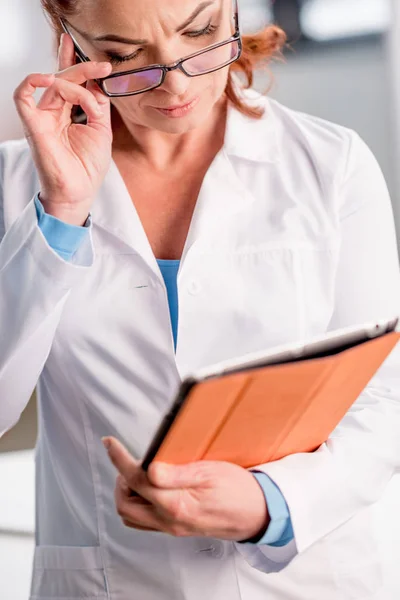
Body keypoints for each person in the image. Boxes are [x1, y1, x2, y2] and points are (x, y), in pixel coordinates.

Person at [1, 0, 400, 598]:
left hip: (313, 578)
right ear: (69, 40)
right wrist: (61, 211)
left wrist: (271, 503)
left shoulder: (331, 164)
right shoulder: (19, 184)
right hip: (113, 580)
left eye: (200, 33)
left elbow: (385, 396)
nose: (177, 80)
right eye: (122, 54)